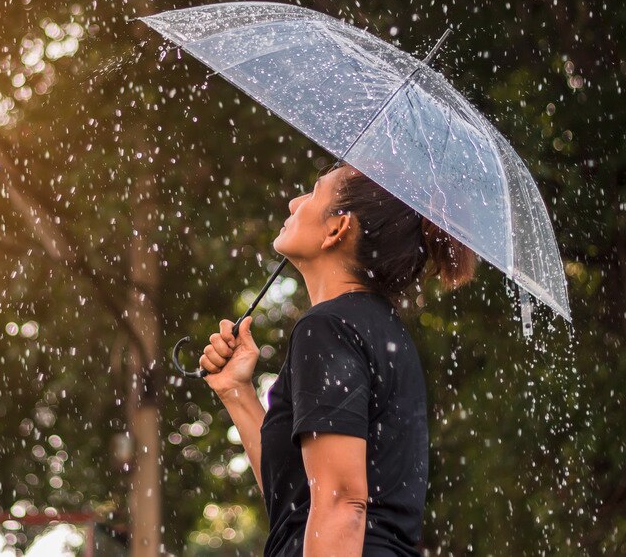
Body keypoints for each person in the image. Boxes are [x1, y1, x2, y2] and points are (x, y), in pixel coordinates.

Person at [199, 159, 478, 556]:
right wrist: (236, 392)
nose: (295, 203)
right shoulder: (380, 331)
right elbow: (297, 502)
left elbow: (342, 503)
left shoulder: (329, 328)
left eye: (313, 194)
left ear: (337, 228)